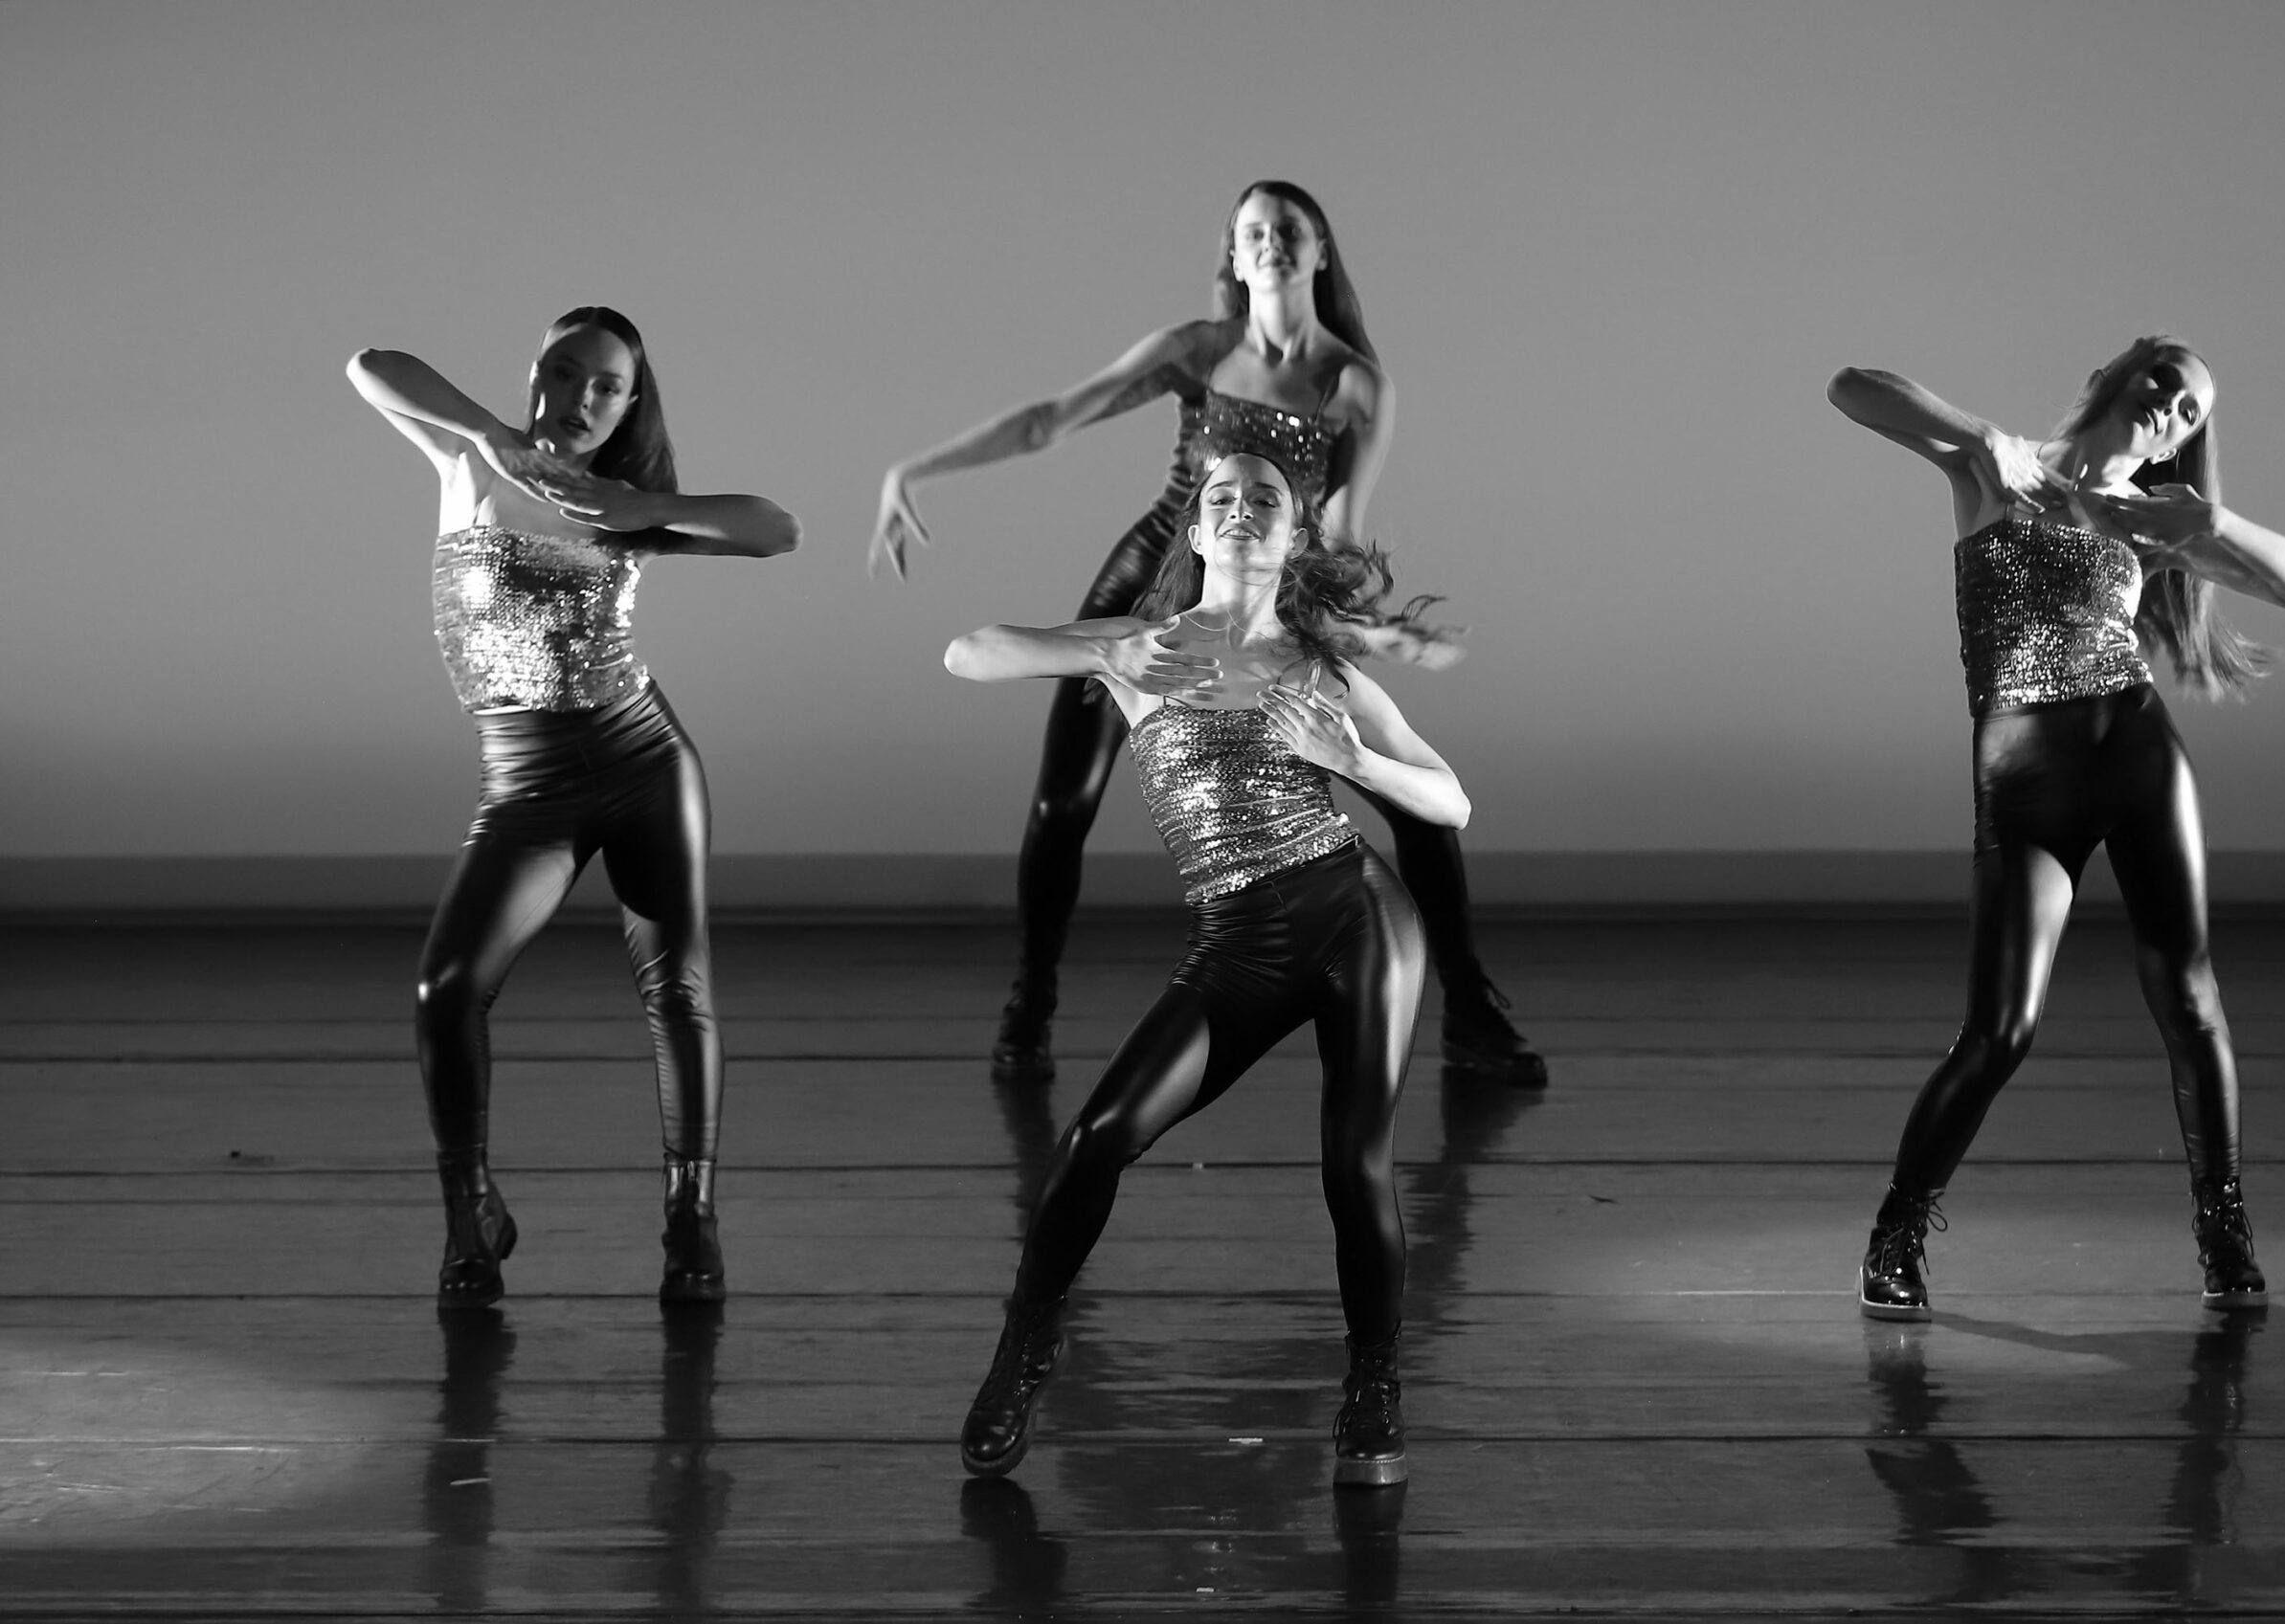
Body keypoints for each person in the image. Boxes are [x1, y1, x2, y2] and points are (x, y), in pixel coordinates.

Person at [873, 179, 1543, 1089]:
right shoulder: (1196, 349)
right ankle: (1031, 997)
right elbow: (1050, 419)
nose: (1271, 243)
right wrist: (915, 469)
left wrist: (1366, 631)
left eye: (1290, 230)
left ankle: (1471, 1011)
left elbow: (1337, 533)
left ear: (1319, 250)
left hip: (1271, 574)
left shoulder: (1357, 384)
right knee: (1064, 799)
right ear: (1232, 255)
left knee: (1401, 785)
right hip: (1157, 569)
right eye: (1253, 232)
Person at [943, 451, 1463, 1486]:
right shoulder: (1139, 647)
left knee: (1353, 1163)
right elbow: (967, 651)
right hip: (1238, 939)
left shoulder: (1324, 670)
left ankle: (1372, 1383)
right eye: (1217, 495)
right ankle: (1024, 1348)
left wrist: (1355, 762)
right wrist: (1106, 654)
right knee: (1095, 1137)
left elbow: (1451, 803)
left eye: (1262, 498)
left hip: (1357, 917)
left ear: (1291, 536)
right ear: (1192, 532)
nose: (1237, 506)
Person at [1826, 338, 2285, 1321]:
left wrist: (2213, 520)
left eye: (2191, 409)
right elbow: (1850, 387)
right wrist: (1981, 433)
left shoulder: (2156, 521)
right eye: (2163, 379)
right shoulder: (1994, 467)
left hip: (2138, 760)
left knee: (2189, 1002)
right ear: (2118, 370)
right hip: (2023, 778)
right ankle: (1896, 1231)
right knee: (2000, 1029)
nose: (2170, 407)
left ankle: (2222, 1229)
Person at [347, 307, 800, 1307]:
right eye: (566, 371)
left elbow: (776, 528)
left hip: (644, 764)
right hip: (528, 786)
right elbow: (371, 364)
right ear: (536, 374)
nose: (583, 396)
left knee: (675, 990)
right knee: (447, 987)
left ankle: (692, 1216)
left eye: (607, 385)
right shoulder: (470, 462)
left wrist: (629, 506)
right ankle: (471, 1212)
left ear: (630, 402)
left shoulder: (628, 505)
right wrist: (496, 435)